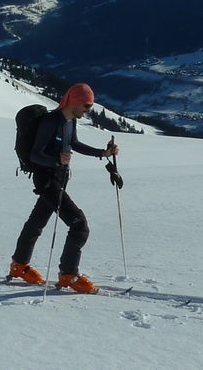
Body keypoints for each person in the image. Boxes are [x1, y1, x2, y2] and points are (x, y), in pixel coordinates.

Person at [8, 83, 120, 293]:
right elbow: (35, 154)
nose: (88, 111)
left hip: (60, 178)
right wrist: (56, 160)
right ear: (75, 101)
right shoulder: (52, 121)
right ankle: (68, 275)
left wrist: (102, 154)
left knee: (37, 221)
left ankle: (19, 265)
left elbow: (74, 143)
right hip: (47, 181)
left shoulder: (70, 121)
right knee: (79, 226)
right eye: (86, 106)